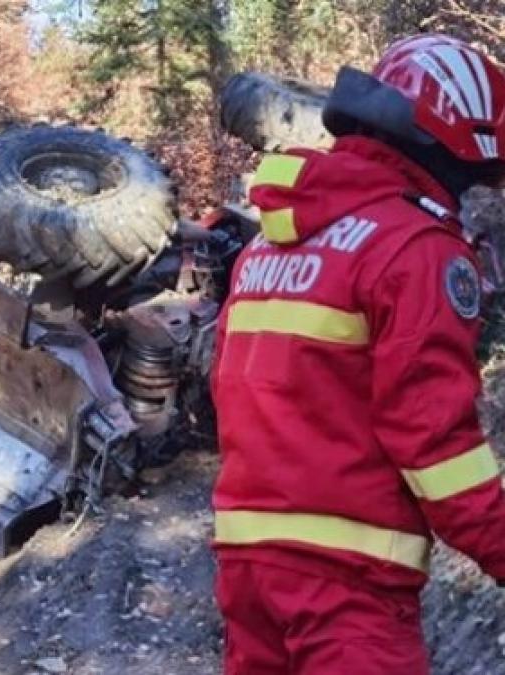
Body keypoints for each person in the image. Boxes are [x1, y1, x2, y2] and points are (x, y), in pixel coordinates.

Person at [211, 35, 505, 674]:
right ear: (453, 149)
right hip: (349, 587)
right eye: (482, 179)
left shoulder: (271, 243)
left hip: (248, 568)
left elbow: (229, 387)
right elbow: (435, 442)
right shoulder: (416, 247)